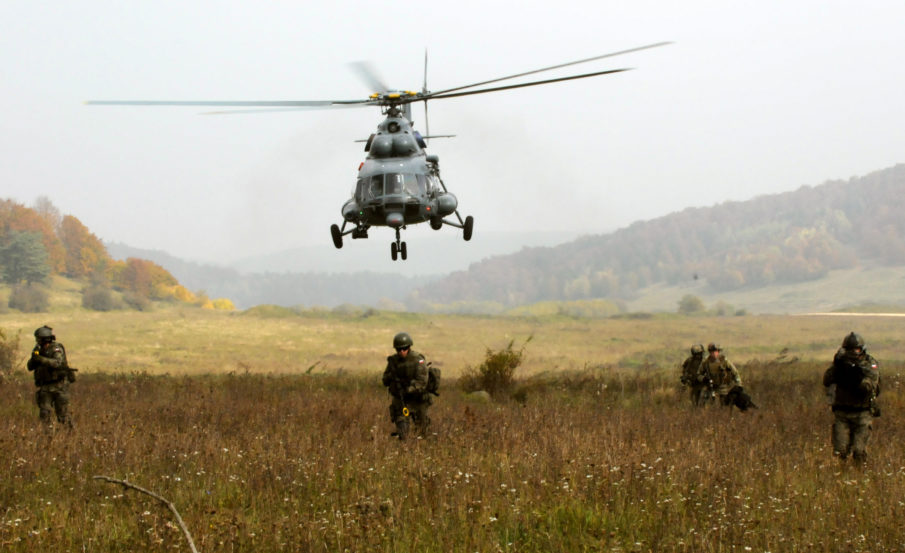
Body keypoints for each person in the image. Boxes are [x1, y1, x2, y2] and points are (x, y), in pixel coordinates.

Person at [822, 332, 880, 464]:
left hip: (862, 413)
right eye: (850, 349)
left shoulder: (869, 364)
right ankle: (841, 477)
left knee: (859, 452)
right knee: (840, 451)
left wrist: (856, 377)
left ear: (862, 349)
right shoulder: (841, 364)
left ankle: (859, 476)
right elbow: (826, 380)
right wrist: (837, 367)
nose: (854, 353)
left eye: (857, 349)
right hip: (842, 412)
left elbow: (871, 387)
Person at [381, 331, 431, 440]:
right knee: (403, 432)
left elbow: (422, 381)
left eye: (404, 348)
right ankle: (405, 450)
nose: (402, 351)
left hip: (417, 400)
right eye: (399, 349)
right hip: (401, 401)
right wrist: (391, 376)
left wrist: (409, 389)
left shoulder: (418, 360)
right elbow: (385, 380)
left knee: (422, 432)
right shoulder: (393, 362)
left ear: (409, 347)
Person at [26, 325, 75, 428]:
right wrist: (34, 357)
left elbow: (57, 363)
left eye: (38, 339)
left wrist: (41, 359)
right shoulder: (38, 350)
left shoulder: (56, 349)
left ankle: (71, 435)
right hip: (45, 387)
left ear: (44, 339)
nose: (37, 341)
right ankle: (47, 437)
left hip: (59, 386)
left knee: (62, 415)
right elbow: (30, 367)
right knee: (44, 414)